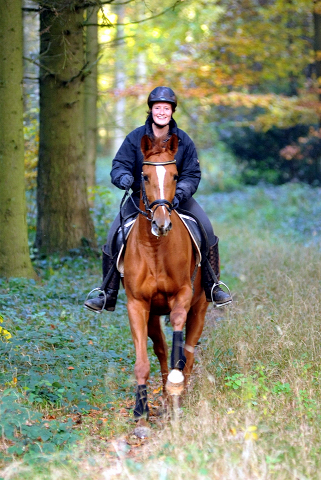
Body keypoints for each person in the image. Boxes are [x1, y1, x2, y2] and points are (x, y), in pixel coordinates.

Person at [84, 86, 232, 312]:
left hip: (177, 199)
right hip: (142, 199)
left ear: (172, 111)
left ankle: (213, 285)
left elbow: (192, 173)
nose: (161, 112)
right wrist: (123, 178)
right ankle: (108, 291)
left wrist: (179, 193)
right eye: (157, 107)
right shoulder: (135, 138)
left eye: (166, 108)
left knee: (207, 229)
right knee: (114, 235)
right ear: (151, 110)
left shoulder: (184, 140)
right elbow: (119, 165)